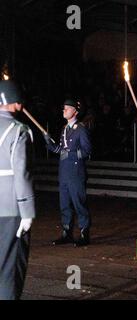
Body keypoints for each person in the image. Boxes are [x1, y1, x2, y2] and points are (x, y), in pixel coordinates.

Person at [0, 80, 36, 299]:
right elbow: (22, 173)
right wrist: (28, 211)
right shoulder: (18, 131)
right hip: (11, 208)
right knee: (11, 268)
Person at [44, 99, 92, 247]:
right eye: (63, 108)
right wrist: (49, 144)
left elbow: (87, 150)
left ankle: (84, 233)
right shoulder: (65, 129)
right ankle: (67, 232)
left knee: (79, 203)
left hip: (76, 172)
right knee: (64, 204)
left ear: (75, 111)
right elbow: (60, 150)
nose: (64, 111)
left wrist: (69, 154)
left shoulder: (81, 129)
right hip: (64, 172)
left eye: (67, 108)